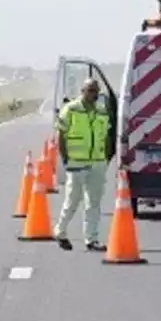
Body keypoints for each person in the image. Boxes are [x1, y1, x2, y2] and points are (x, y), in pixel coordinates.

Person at [53, 78, 115, 251]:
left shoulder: (102, 112)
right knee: (72, 201)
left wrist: (106, 158)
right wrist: (65, 158)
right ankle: (60, 231)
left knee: (93, 203)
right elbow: (61, 135)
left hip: (97, 163)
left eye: (95, 91)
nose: (93, 94)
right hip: (77, 163)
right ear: (82, 91)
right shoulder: (71, 109)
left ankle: (91, 239)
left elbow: (108, 137)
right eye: (89, 90)